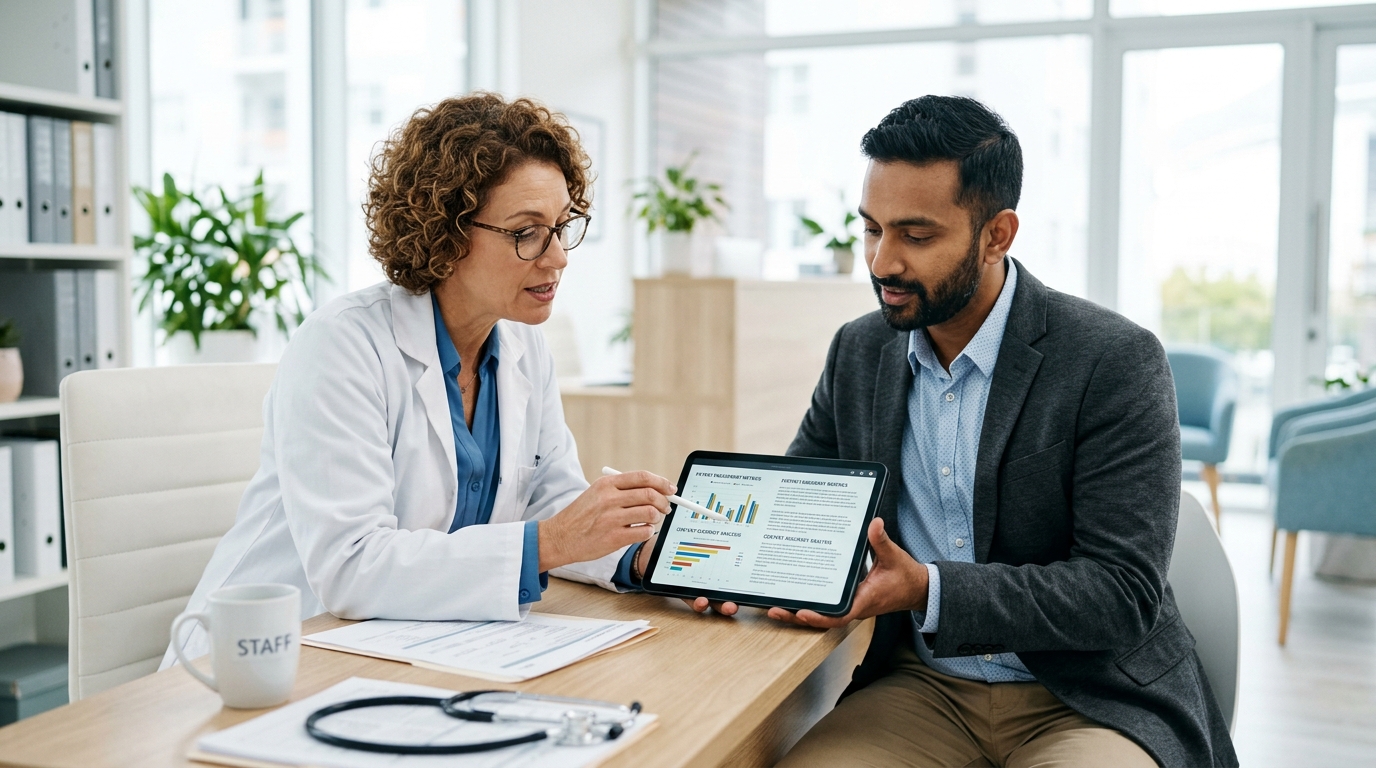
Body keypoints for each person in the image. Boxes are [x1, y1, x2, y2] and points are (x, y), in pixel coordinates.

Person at [752, 96, 1235, 766]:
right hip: (924, 689)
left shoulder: (1113, 360)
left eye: (916, 236)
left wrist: (929, 589)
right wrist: (732, 557)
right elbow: (807, 509)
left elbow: (1119, 593)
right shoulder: (859, 352)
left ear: (997, 234)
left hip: (1088, 698)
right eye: (872, 229)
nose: (883, 262)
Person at [163, 93, 673, 667]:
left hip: (418, 649)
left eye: (562, 226)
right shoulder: (343, 344)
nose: (557, 258)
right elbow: (352, 566)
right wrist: (552, 542)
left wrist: (641, 557)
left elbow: (550, 502)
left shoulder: (525, 348)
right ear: (447, 234)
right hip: (265, 662)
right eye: (527, 232)